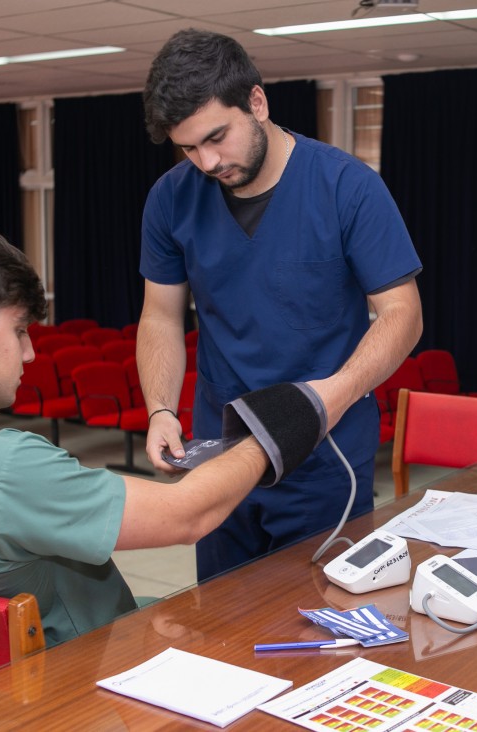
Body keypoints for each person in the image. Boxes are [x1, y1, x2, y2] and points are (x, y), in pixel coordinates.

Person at [0, 216, 338, 647]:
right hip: (70, 680)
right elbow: (188, 515)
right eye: (19, 330)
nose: (28, 352)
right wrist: (267, 438)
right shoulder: (3, 471)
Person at [139, 29, 423, 580]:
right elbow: (160, 316)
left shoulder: (347, 186)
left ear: (257, 102)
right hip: (221, 452)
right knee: (221, 624)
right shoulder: (171, 198)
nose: (207, 161)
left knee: (319, 624)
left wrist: (329, 400)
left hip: (324, 454)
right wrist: (160, 408)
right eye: (189, 147)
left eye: (217, 137)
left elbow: (402, 314)